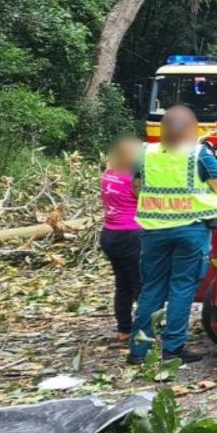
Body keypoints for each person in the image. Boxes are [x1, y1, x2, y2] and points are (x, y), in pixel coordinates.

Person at [128, 105, 217, 365]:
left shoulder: (145, 153)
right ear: (192, 130)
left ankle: (139, 351)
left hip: (153, 230)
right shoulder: (199, 154)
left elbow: (136, 188)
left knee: (151, 288)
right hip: (192, 230)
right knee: (182, 287)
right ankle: (172, 348)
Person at [100, 137, 143, 342]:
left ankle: (124, 329)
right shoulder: (132, 179)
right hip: (131, 234)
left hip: (109, 234)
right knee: (141, 285)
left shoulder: (107, 175)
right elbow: (145, 199)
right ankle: (146, 329)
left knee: (122, 284)